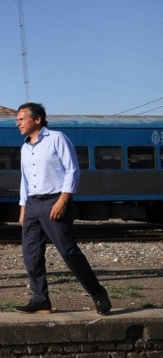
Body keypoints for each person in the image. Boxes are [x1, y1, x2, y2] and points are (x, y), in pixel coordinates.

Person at [14, 102, 111, 315]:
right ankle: (41, 299)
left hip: (54, 201)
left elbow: (72, 170)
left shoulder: (57, 139)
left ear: (37, 119)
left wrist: (63, 200)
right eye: (17, 119)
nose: (17, 123)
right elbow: (25, 179)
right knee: (31, 255)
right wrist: (23, 206)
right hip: (32, 204)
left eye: (21, 119)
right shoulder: (24, 147)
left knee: (68, 251)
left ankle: (97, 292)